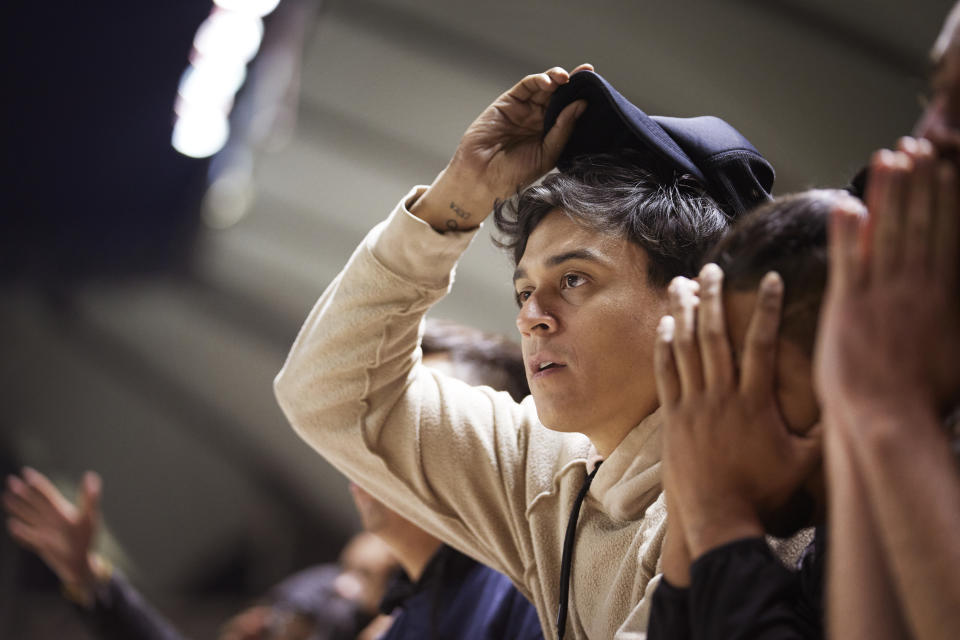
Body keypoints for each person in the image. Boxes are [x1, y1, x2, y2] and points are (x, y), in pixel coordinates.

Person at [274, 65, 774, 637]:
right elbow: (330, 394)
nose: (531, 318)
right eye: (524, 290)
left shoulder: (767, 502)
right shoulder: (548, 464)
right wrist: (461, 193)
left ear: (701, 299)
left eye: (575, 280)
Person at [647, 188, 861, 639]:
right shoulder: (834, 544)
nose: (712, 410)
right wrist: (691, 529)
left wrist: (718, 517)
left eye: (744, 379)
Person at [1, 466, 397, 640]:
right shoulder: (310, 595)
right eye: (349, 569)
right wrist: (84, 574)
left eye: (370, 579)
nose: (341, 587)